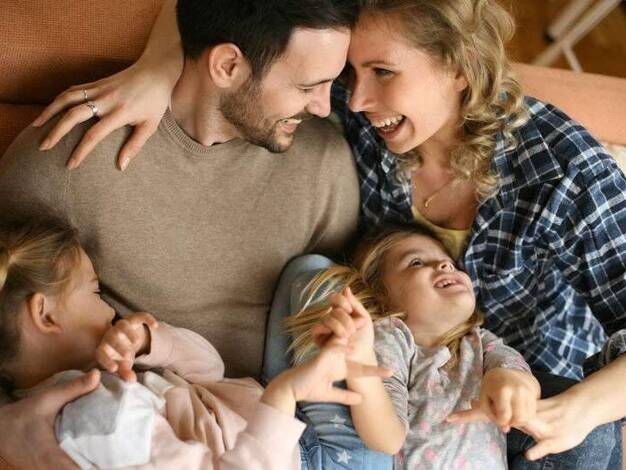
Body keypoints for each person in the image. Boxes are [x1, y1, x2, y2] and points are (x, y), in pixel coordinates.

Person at [39, 0, 626, 466]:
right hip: (391, 376)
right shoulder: (360, 116)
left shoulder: (565, 170)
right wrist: (158, 68)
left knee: (587, 442)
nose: (357, 99)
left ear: (459, 64)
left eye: (383, 73)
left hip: (515, 382)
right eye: (351, 72)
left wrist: (578, 408)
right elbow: (227, 20)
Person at [0, 0, 362, 468]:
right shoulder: (67, 159)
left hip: (292, 430)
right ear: (227, 65)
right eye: (307, 86)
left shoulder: (325, 166)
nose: (325, 107)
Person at [0, 217, 390, 469]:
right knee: (335, 305)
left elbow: (212, 371)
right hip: (316, 459)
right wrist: (284, 395)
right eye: (95, 292)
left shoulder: (93, 382)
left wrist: (152, 342)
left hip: (277, 420)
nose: (109, 309)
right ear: (45, 315)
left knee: (308, 274)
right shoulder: (102, 418)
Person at [285, 222, 540, 468]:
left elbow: (518, 374)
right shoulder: (393, 338)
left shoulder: (482, 343)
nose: (444, 265)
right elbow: (387, 439)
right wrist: (361, 361)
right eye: (417, 262)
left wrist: (509, 381)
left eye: (450, 263)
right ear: (381, 296)